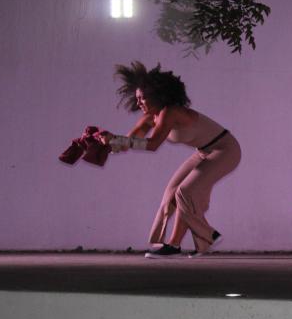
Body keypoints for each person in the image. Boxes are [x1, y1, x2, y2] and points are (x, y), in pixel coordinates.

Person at [96, 62, 241, 259]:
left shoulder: (171, 112)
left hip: (225, 150)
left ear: (158, 94)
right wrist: (107, 142)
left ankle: (209, 236)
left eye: (142, 98)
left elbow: (153, 144)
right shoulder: (150, 117)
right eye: (136, 98)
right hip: (203, 151)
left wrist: (118, 140)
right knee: (171, 193)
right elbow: (129, 142)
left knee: (185, 192)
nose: (139, 103)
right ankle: (174, 246)